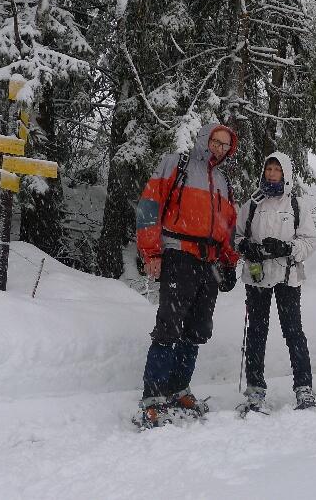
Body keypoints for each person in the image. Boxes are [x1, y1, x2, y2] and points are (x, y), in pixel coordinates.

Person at [132, 121, 240, 428]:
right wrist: (151, 252)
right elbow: (149, 207)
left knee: (197, 329)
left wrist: (229, 262)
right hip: (179, 254)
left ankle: (179, 389)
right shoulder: (176, 165)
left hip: (210, 262)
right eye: (216, 142)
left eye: (225, 144)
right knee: (169, 325)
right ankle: (153, 398)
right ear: (205, 139)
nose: (220, 148)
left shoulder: (223, 181)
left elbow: (229, 226)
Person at [234, 152, 316, 414]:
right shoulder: (252, 204)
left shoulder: (296, 205)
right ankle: (255, 390)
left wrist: (287, 248)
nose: (272, 173)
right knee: (256, 333)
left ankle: (304, 388)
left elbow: (310, 241)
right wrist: (246, 247)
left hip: (287, 277)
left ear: (286, 173)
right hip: (257, 276)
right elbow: (237, 236)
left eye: (277, 169)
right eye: (268, 168)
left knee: (293, 332)